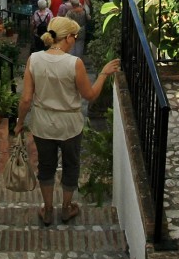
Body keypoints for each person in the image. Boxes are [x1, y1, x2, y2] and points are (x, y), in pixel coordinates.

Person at [14, 17, 120, 227]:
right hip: (70, 125)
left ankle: (47, 209)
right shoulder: (75, 64)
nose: (76, 39)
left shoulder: (34, 59)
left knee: (46, 167)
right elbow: (89, 95)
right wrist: (103, 74)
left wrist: (19, 123)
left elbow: (26, 99)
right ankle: (66, 208)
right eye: (75, 35)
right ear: (68, 38)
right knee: (71, 166)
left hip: (43, 124)